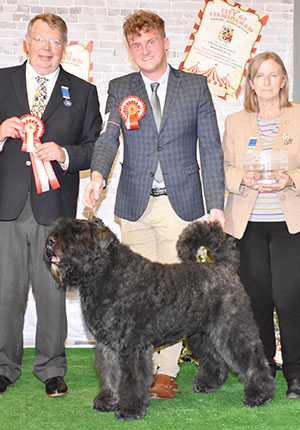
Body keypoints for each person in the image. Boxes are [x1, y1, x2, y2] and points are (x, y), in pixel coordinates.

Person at [84, 10, 225, 400]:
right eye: (136, 45)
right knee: (133, 301)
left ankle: (165, 372)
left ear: (165, 43)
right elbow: (108, 139)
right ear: (130, 52)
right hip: (134, 206)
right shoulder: (119, 87)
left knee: (177, 296)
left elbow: (211, 148)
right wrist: (97, 176)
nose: (144, 50)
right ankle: (136, 372)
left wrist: (216, 205)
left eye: (151, 42)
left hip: (181, 205)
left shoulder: (195, 87)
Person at [0, 13, 102, 397]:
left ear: (65, 47)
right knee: (5, 290)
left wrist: (63, 153)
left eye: (55, 42)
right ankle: (3, 366)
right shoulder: (0, 79)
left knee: (51, 291)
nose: (47, 48)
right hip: (6, 207)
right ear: (26, 42)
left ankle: (51, 368)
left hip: (55, 209)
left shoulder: (83, 91)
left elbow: (95, 148)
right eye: (40, 40)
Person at [222, 51, 300, 399]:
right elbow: (221, 169)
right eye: (260, 76)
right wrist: (244, 177)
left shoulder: (298, 117)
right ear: (251, 83)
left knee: (289, 298)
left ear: (283, 80)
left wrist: (290, 179)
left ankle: (296, 373)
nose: (267, 82)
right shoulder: (235, 122)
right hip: (248, 224)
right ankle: (264, 367)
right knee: (257, 300)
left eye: (274, 75)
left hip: (289, 224)